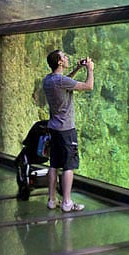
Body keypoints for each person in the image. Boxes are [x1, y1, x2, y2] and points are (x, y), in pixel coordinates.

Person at [43, 50, 94, 212]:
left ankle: (52, 200)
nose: (67, 58)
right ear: (59, 62)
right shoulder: (60, 81)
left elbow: (65, 82)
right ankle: (67, 202)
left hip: (53, 128)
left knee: (54, 164)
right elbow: (88, 86)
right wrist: (90, 69)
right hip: (66, 129)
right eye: (64, 56)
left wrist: (77, 69)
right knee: (68, 166)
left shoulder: (48, 80)